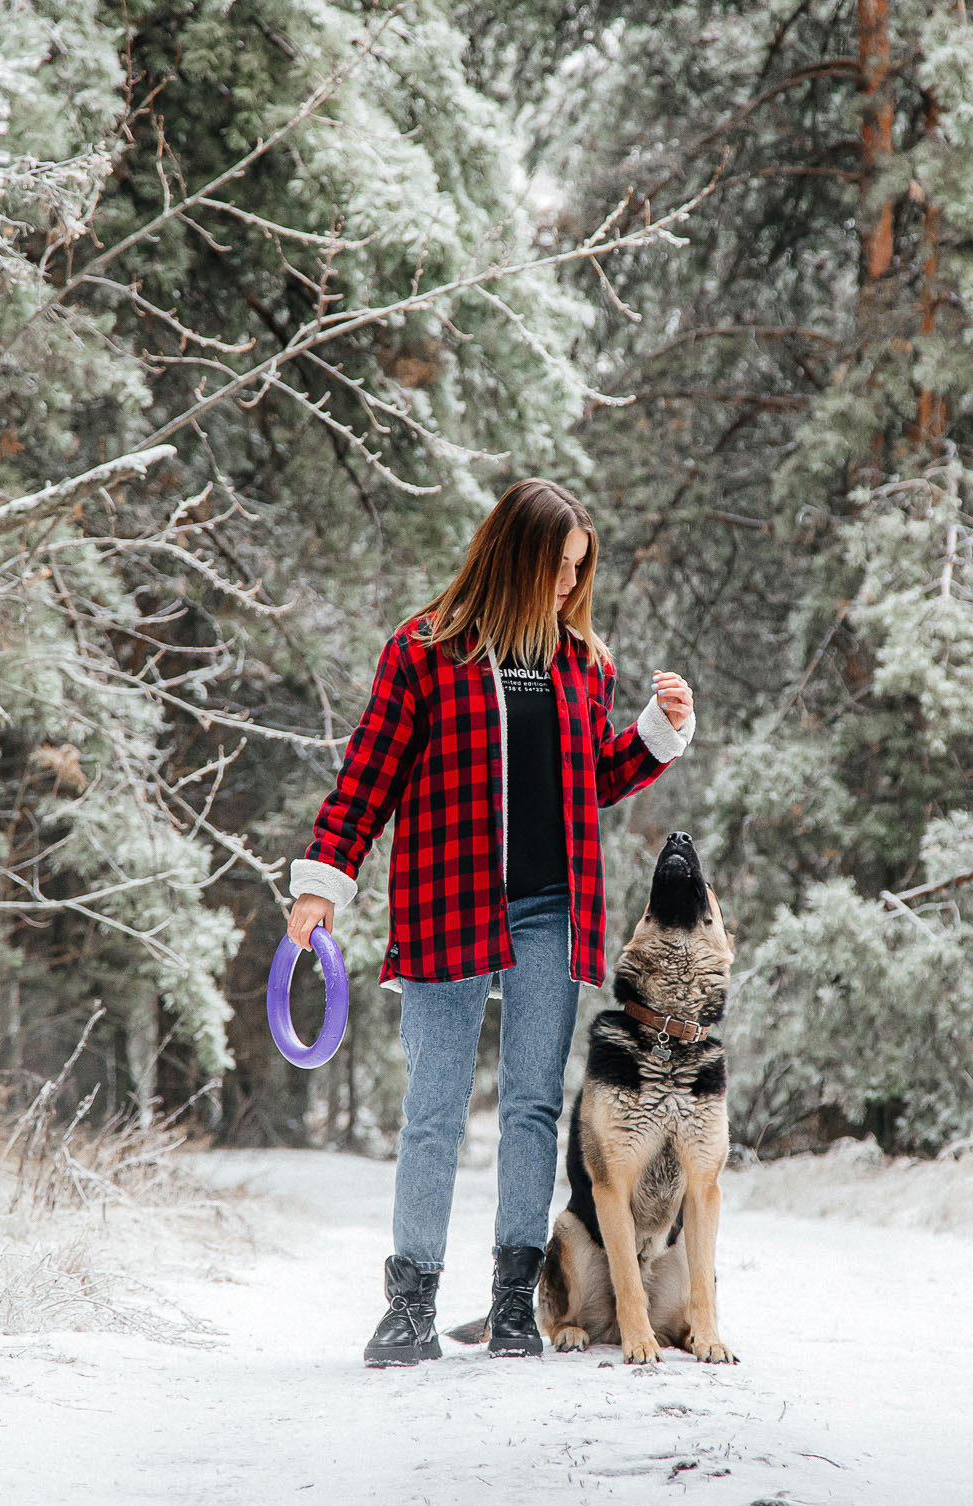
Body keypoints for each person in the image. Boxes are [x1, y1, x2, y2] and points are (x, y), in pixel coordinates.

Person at [285, 478, 696, 1367]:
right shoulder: (426, 651)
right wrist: (324, 880)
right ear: (512, 554)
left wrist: (656, 734)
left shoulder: (581, 660)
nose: (565, 586)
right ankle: (409, 1305)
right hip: (449, 899)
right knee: (432, 1109)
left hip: (556, 906)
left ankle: (515, 1303)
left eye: (578, 571)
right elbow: (368, 776)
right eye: (555, 567)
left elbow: (588, 779)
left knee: (531, 1108)